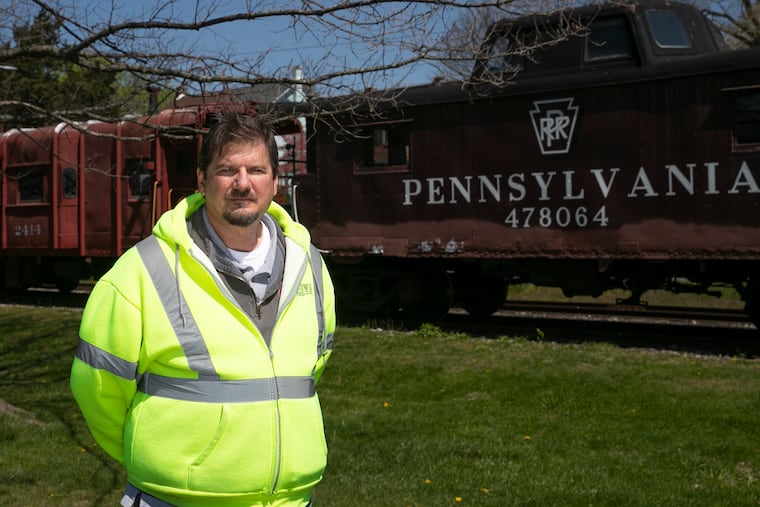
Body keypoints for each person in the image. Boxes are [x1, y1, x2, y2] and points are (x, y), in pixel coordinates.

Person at [70, 112, 335, 507]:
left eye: (256, 169)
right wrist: (160, 464)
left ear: (276, 182)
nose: (242, 183)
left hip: (292, 501)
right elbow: (97, 389)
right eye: (227, 170)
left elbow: (312, 367)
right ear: (202, 180)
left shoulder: (310, 266)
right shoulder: (141, 272)